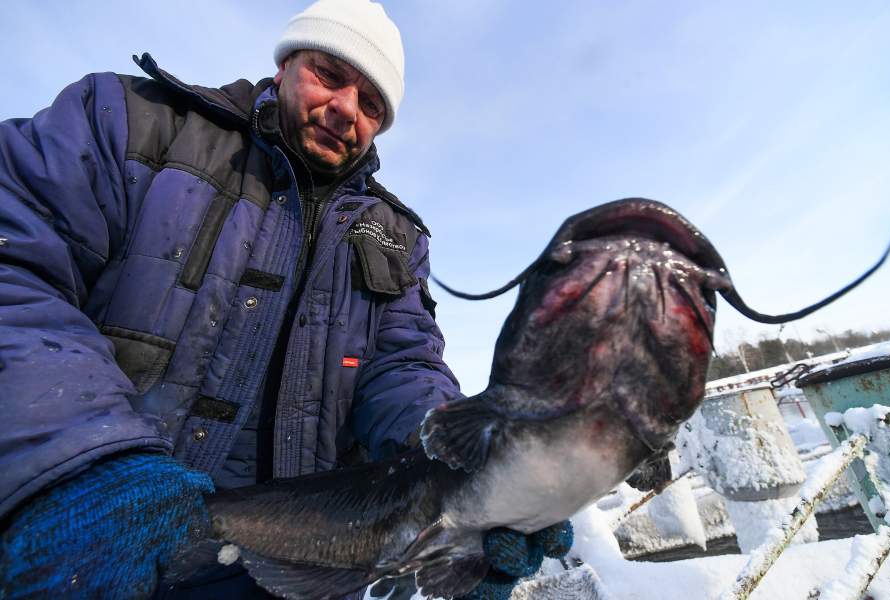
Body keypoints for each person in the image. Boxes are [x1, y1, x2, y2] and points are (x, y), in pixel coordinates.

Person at [0, 1, 571, 598]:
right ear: (284, 65)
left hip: (297, 571)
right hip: (87, 529)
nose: (347, 107)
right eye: (330, 73)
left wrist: (460, 477)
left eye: (372, 103)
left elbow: (405, 367)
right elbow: (15, 260)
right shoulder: (130, 123)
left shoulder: (396, 236)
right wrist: (87, 458)